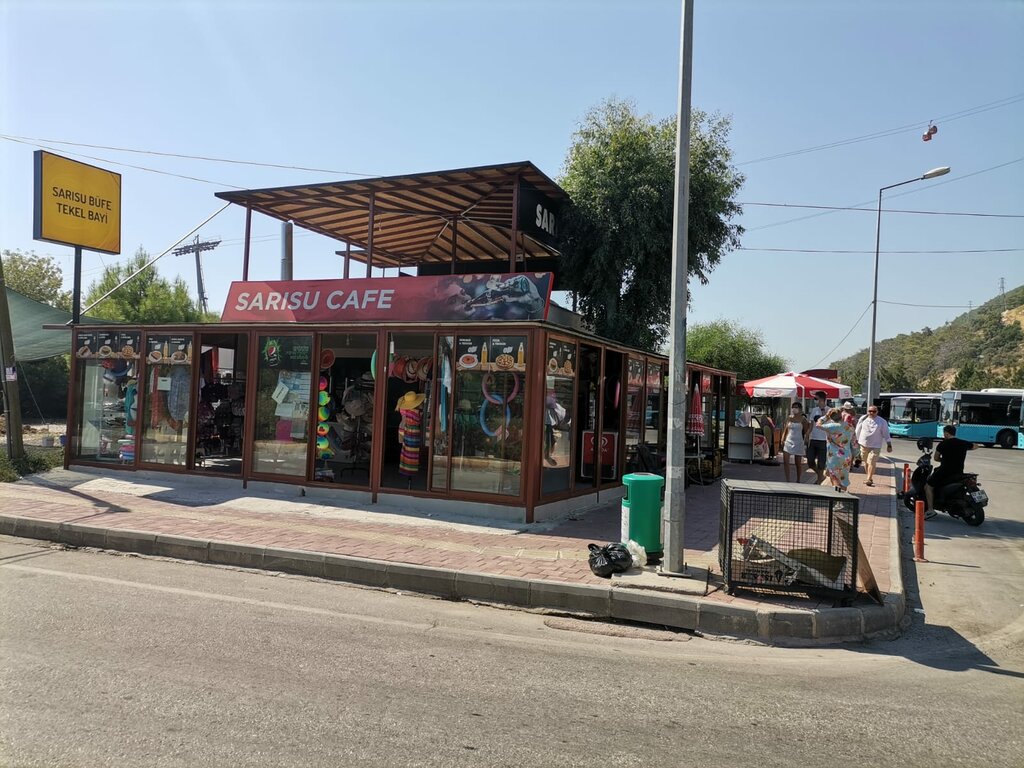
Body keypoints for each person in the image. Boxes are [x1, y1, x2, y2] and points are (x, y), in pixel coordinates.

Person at [925, 425, 976, 514]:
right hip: (958, 471)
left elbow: (936, 458)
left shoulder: (943, 444)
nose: (944, 435)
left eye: (944, 433)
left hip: (944, 471)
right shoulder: (963, 443)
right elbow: (976, 446)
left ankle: (930, 509)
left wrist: (943, 460)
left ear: (946, 433)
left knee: (928, 487)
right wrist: (966, 449)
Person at [815, 408, 855, 492]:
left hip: (833, 455)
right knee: (843, 477)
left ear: (831, 417)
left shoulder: (832, 426)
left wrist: (826, 416)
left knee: (834, 476)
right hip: (846, 455)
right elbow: (854, 442)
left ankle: (836, 496)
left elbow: (818, 424)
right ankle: (843, 496)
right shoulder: (849, 426)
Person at [855, 404, 892, 486]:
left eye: (874, 411)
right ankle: (869, 477)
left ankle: (868, 479)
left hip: (876, 446)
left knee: (871, 461)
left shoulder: (882, 421)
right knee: (866, 462)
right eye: (870, 411)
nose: (871, 413)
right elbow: (858, 430)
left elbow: (886, 433)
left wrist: (889, 444)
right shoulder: (863, 418)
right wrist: (856, 441)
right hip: (863, 444)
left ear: (877, 412)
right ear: (867, 411)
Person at [780, 402, 812, 483]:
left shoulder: (803, 419)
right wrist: (782, 439)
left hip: (798, 441)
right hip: (788, 440)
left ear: (800, 409)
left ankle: (798, 480)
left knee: (798, 463)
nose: (794, 409)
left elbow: (805, 431)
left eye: (796, 407)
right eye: (793, 407)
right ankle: (788, 480)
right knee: (786, 461)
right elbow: (785, 429)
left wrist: (807, 438)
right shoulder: (789, 418)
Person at [806, 391, 829, 484]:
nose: (815, 400)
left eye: (816, 398)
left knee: (821, 463)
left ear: (822, 399)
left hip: (824, 440)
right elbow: (811, 424)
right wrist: (807, 435)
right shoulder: (814, 410)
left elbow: (827, 422)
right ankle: (821, 476)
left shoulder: (829, 410)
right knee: (810, 461)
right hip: (813, 439)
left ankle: (819, 480)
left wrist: (823, 410)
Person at [841, 401, 860, 469]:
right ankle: (850, 464)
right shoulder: (851, 415)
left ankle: (847, 464)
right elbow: (855, 425)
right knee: (852, 450)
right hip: (851, 434)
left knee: (845, 449)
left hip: (843, 434)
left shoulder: (841, 414)